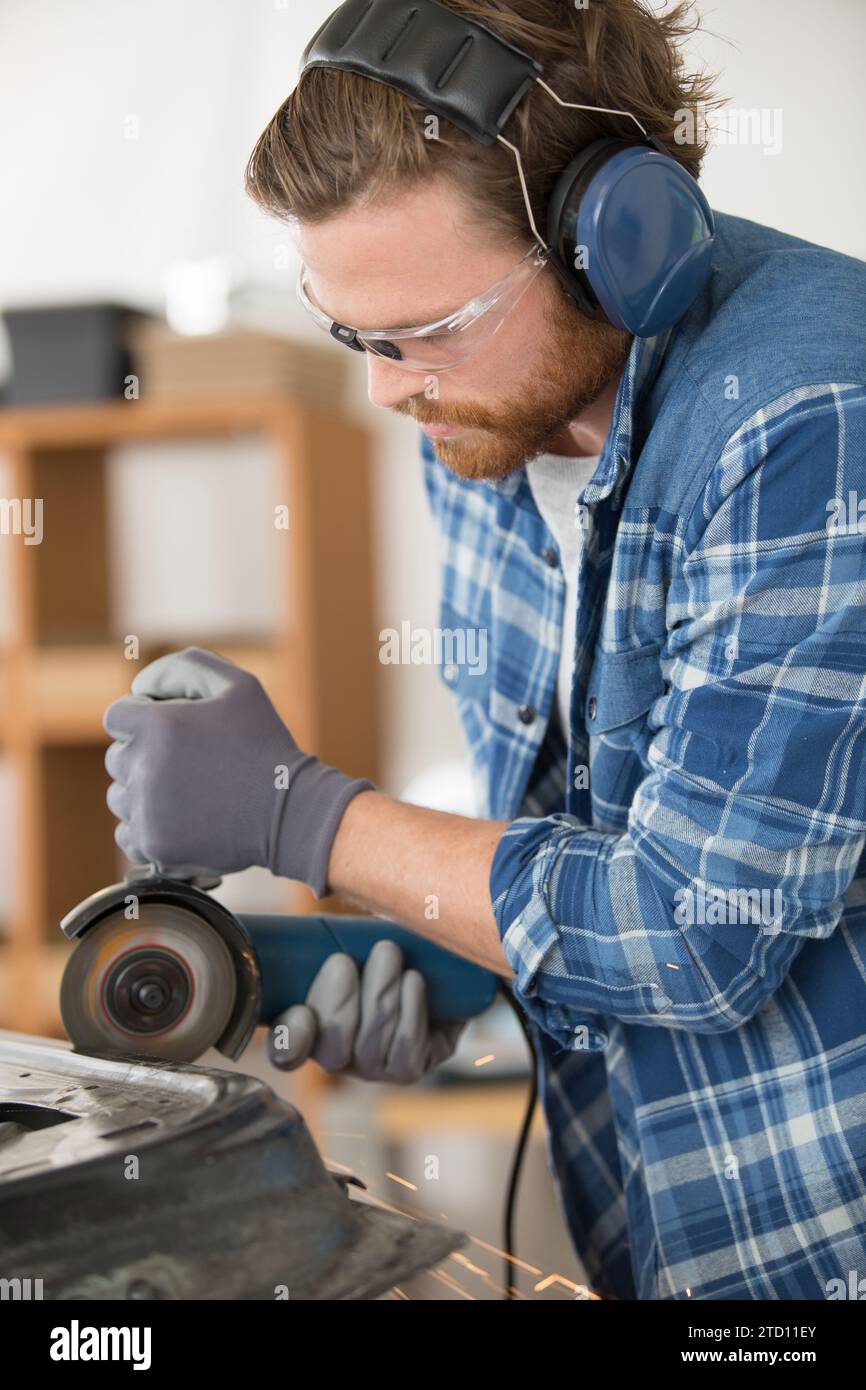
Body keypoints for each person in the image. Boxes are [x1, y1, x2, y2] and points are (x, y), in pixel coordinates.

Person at [103, 0, 866, 1300]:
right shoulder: (478, 414)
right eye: (357, 334)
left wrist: (305, 815)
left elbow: (688, 928)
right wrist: (447, 966)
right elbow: (581, 844)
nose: (388, 388)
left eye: (430, 328)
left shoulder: (812, 418)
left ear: (624, 243)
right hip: (658, 1230)